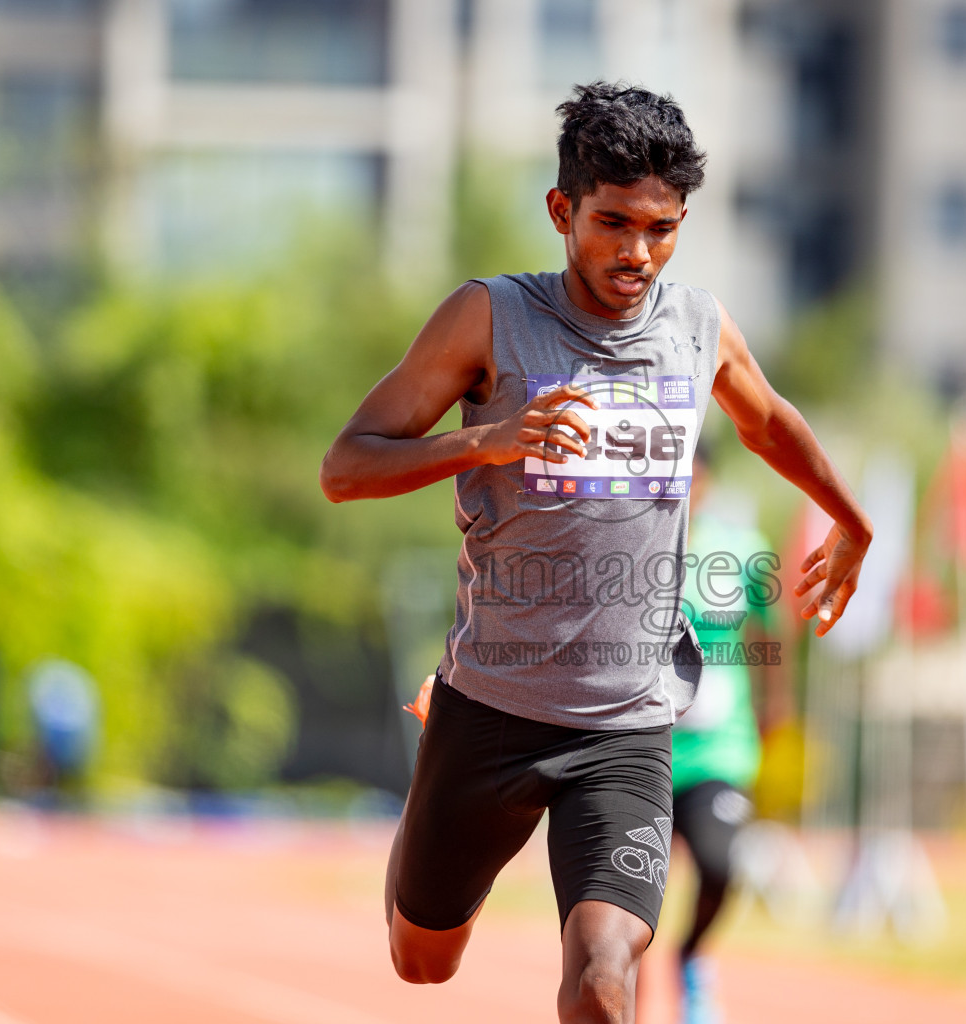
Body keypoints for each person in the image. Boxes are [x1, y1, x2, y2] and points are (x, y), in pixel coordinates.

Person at [320, 82, 872, 1024]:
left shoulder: (697, 327)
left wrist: (852, 521)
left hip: (625, 724)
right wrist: (485, 442)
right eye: (614, 224)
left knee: (607, 977)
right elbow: (346, 466)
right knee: (423, 964)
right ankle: (428, 814)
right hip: (489, 707)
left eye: (663, 229)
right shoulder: (488, 320)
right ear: (563, 210)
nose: (638, 253)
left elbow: (771, 420)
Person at [667, 443, 791, 1024]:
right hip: (638, 746)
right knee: (625, 897)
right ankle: (617, 989)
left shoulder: (740, 548)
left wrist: (777, 702)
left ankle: (691, 956)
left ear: (707, 476)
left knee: (720, 865)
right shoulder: (627, 540)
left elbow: (774, 626)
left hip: (717, 748)